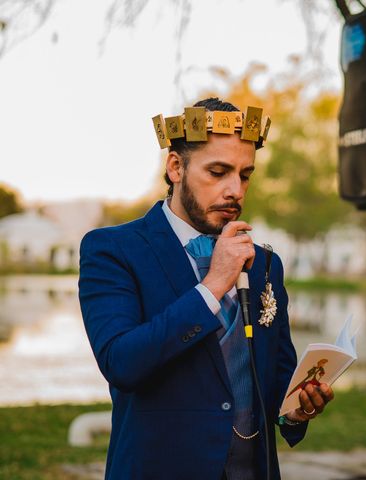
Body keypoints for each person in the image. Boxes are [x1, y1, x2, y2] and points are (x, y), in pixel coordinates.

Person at [79, 97, 334, 480]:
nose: (235, 191)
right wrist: (214, 285)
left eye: (245, 175)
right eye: (218, 172)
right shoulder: (114, 249)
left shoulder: (265, 264)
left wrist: (296, 408)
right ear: (176, 167)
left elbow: (274, 375)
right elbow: (122, 363)